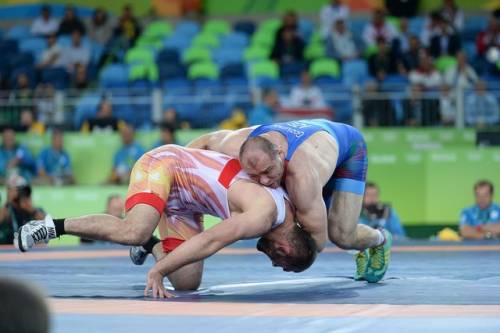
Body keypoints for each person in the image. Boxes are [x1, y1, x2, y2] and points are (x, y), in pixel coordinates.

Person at [15, 145, 316, 298]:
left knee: (186, 283)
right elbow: (210, 241)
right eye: (280, 263)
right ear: (287, 248)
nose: (274, 263)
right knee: (134, 229)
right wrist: (157, 273)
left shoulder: (289, 204)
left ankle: (153, 245)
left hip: (187, 203)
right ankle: (50, 226)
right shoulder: (263, 215)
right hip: (165, 167)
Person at [187, 119, 393, 283]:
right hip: (315, 143)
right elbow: (199, 145)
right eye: (255, 175)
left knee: (341, 235)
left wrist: (273, 229)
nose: (265, 181)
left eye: (268, 171)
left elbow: (317, 243)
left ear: (280, 154)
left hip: (348, 150)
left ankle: (380, 239)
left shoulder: (301, 180)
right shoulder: (234, 145)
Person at [0, 176, 45, 244]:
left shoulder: (35, 210)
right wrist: (8, 202)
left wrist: (31, 210)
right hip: (7, 249)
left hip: (31, 250)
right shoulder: (6, 210)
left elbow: (49, 227)